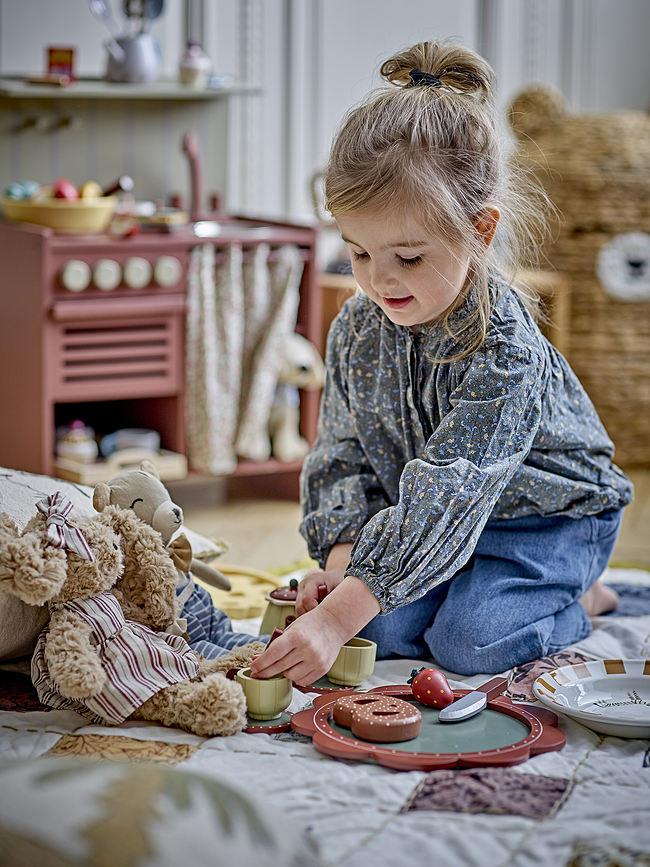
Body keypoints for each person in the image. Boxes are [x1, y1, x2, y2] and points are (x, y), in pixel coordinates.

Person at [250, 39, 633, 683]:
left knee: (470, 644)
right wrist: (343, 557)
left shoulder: (504, 348)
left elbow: (454, 488)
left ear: (479, 231)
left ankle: (581, 596)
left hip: (546, 520)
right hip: (438, 521)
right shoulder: (356, 327)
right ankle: (456, 584)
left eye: (407, 256)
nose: (378, 280)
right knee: (380, 625)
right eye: (359, 253)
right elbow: (340, 455)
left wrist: (339, 614)